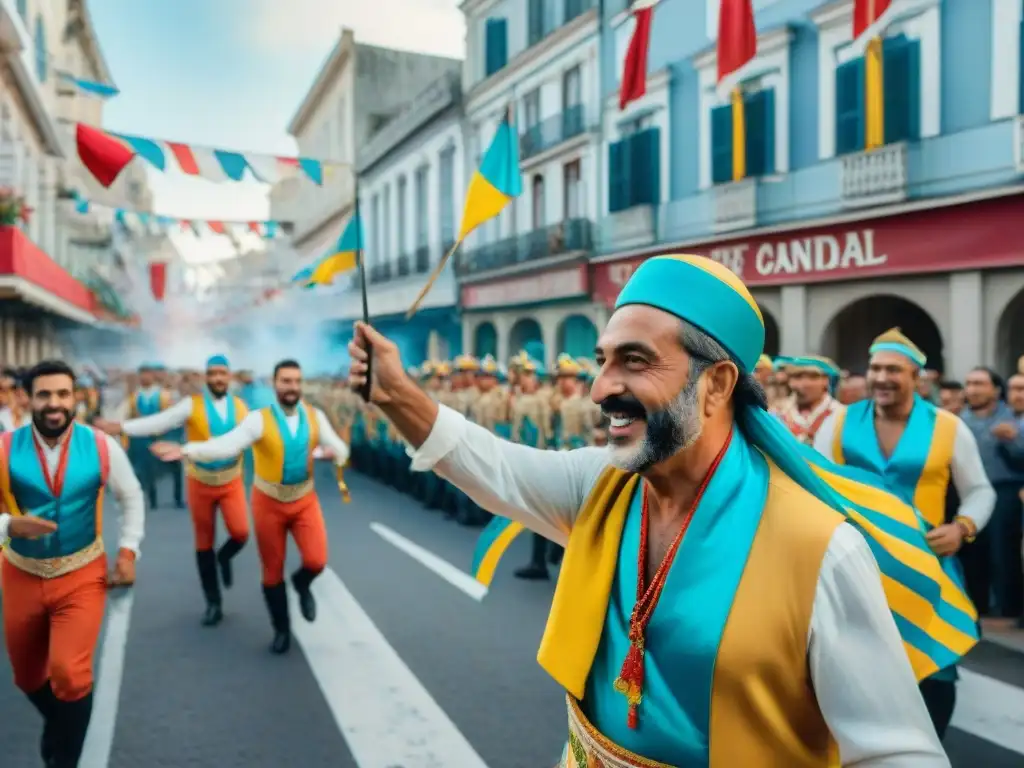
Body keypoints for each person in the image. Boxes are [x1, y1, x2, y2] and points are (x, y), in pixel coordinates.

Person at [347, 255, 958, 766]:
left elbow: (897, 754)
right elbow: (497, 469)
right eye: (602, 360)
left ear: (716, 384)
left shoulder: (820, 547)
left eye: (634, 362)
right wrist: (397, 394)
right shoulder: (603, 485)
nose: (601, 387)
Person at [812, 329, 994, 740]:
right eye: (875, 368)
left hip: (927, 568)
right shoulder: (839, 423)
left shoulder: (948, 427)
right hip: (856, 566)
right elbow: (815, 488)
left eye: (893, 369)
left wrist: (962, 528)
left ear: (918, 377)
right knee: (857, 671)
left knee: (935, 673)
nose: (881, 377)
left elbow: (979, 491)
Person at [0, 360, 144, 767]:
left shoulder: (100, 445)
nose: (54, 404)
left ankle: (65, 758)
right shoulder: (5, 447)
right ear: (28, 399)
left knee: (69, 673)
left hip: (82, 574)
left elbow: (131, 496)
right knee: (27, 677)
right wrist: (9, 524)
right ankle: (60, 723)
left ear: (75, 397)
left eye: (63, 394)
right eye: (44, 394)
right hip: (20, 575)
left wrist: (128, 552)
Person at [150, 359, 349, 655]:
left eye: (296, 381)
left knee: (316, 561)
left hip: (304, 501)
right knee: (272, 571)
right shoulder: (259, 419)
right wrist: (187, 450)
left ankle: (302, 583)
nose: (292, 387)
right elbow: (227, 445)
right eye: (286, 381)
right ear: (275, 384)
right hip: (268, 503)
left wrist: (332, 453)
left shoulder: (315, 416)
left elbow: (341, 449)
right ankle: (281, 629)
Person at [95, 355, 250, 627]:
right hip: (200, 483)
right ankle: (213, 603)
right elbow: (160, 422)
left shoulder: (241, 408)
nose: (217, 378)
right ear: (206, 377)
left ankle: (224, 557)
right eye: (212, 373)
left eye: (222, 374)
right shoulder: (193, 405)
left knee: (240, 533)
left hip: (231, 482)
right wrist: (121, 427)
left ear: (230, 377)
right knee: (204, 544)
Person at [772, 356, 844, 446]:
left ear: (826, 380)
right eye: (797, 377)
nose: (804, 384)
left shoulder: (841, 414)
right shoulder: (777, 413)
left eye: (813, 377)